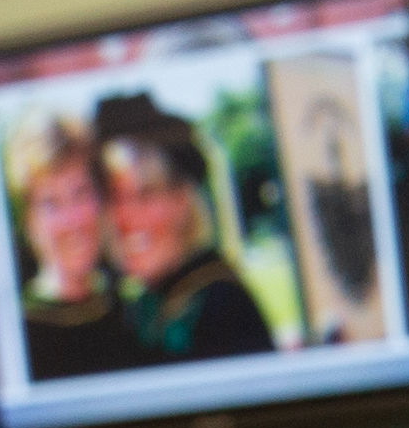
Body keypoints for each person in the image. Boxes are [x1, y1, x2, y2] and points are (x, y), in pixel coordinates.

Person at [95, 90, 279, 362]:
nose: (126, 216)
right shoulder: (146, 303)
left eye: (144, 195)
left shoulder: (221, 306)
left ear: (181, 200)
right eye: (115, 197)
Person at [11, 113, 133, 377]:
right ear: (29, 223)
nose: (73, 220)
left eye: (81, 193)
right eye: (51, 204)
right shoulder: (19, 332)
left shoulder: (130, 308)